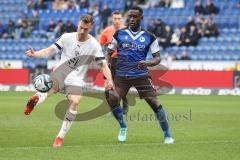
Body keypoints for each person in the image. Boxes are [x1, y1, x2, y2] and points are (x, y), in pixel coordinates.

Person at [24, 15, 113, 148]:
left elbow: (104, 65)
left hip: (76, 78)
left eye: (85, 29)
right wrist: (35, 53)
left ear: (91, 28)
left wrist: (110, 81)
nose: (82, 31)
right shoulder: (66, 37)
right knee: (49, 91)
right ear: (78, 24)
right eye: (81, 27)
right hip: (61, 71)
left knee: (75, 101)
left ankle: (59, 137)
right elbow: (49, 50)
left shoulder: (94, 45)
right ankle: (35, 100)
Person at [106, 6, 174, 144]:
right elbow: (109, 51)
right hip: (122, 74)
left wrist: (148, 63)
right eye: (130, 16)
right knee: (112, 98)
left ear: (141, 18)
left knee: (154, 103)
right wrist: (107, 66)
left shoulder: (150, 36)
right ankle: (123, 126)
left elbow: (157, 58)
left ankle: (168, 135)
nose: (131, 19)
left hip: (140, 74)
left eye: (135, 16)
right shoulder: (119, 34)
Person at [99, 10, 129, 115]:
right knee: (107, 86)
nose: (117, 21)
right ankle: (113, 108)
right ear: (112, 19)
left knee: (120, 86)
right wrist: (102, 60)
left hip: (123, 60)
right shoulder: (106, 31)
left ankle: (124, 103)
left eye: (119, 19)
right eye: (115, 18)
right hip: (110, 61)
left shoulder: (127, 30)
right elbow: (99, 46)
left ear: (122, 19)